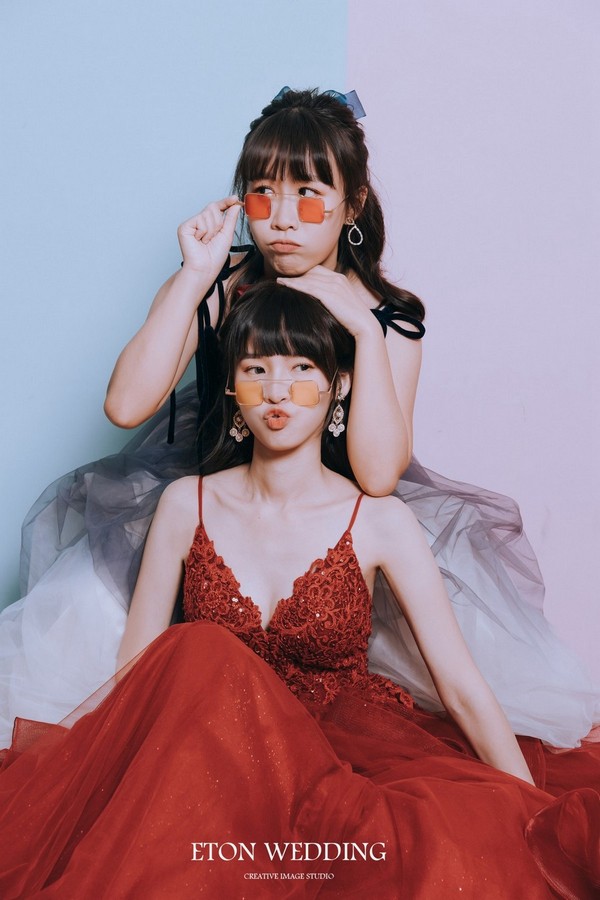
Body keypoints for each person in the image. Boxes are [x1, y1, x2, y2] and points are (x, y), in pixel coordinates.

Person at [1, 87, 597, 749]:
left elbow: (378, 475)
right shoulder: (221, 281)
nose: (282, 220)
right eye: (262, 195)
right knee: (80, 664)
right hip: (215, 509)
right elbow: (124, 406)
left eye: (309, 196)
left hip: (329, 535)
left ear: (353, 205)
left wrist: (363, 331)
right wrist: (195, 277)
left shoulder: (386, 318)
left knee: (468, 692)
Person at [1, 285, 598, 899]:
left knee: (434, 853)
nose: (278, 391)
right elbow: (140, 673)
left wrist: (536, 811)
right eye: (255, 370)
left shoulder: (379, 521)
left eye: (302, 368)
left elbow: (461, 687)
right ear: (232, 390)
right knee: (196, 658)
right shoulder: (186, 503)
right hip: (214, 757)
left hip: (344, 759)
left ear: (338, 387)